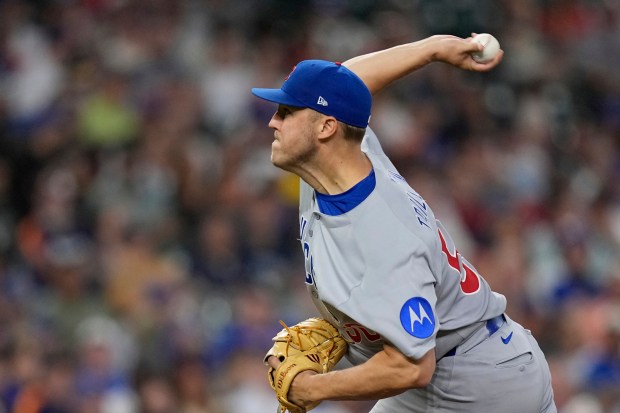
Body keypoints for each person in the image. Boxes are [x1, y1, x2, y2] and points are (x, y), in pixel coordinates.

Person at [251, 34, 556, 413]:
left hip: (479, 385)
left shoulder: (384, 236)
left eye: (285, 112)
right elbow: (349, 80)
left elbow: (412, 367)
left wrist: (312, 389)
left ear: (325, 128)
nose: (272, 122)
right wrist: (432, 49)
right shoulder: (346, 154)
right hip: (454, 365)